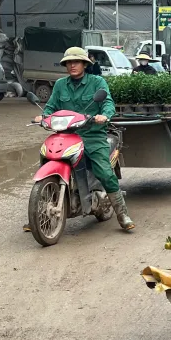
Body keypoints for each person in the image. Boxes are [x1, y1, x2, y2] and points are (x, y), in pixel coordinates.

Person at [26, 47, 134, 231]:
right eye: (68, 62)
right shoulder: (60, 84)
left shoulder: (96, 82)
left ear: (84, 64)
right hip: (66, 134)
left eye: (76, 61)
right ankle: (40, 214)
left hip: (92, 135)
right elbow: (51, 106)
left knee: (104, 172)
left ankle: (122, 213)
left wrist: (105, 115)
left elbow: (107, 103)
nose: (72, 65)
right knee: (46, 160)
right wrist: (43, 116)